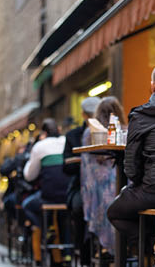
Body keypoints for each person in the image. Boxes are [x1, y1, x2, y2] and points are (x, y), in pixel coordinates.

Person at [107, 62, 155, 256]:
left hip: (153, 191)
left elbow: (131, 168)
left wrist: (142, 182)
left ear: (152, 86)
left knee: (115, 213)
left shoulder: (140, 115)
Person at [80, 96, 127, 257]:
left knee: (108, 196)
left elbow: (87, 168)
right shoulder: (126, 129)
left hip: (96, 189)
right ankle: (123, 247)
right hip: (123, 184)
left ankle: (105, 249)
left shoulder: (89, 133)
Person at [22, 118, 71, 266]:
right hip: (68, 197)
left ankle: (46, 229)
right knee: (64, 216)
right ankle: (66, 254)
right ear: (59, 129)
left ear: (43, 133)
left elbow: (29, 175)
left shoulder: (39, 146)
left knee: (27, 204)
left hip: (49, 198)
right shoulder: (67, 141)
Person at [62, 96, 101, 265]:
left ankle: (106, 250)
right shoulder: (73, 135)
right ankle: (83, 251)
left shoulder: (107, 132)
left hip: (103, 186)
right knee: (79, 207)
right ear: (84, 115)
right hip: (80, 185)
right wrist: (83, 163)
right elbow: (66, 168)